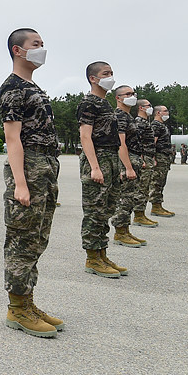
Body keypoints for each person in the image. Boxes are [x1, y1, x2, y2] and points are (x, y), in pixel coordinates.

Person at [0, 28, 64, 338]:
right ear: (18, 50)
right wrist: (20, 183)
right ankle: (17, 308)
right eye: (35, 44)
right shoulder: (13, 87)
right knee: (22, 240)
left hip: (46, 167)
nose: (41, 49)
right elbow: (13, 140)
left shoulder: (33, 86)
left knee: (37, 238)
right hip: (29, 167)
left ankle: (28, 300)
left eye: (42, 44)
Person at [77, 61, 126, 278]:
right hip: (98, 158)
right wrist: (95, 168)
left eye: (112, 73)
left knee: (106, 209)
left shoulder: (105, 104)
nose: (111, 77)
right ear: (93, 79)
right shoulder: (89, 103)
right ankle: (92, 258)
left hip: (111, 157)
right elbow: (85, 136)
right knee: (95, 211)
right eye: (106, 73)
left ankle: (102, 253)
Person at [109, 86, 148, 248]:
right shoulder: (119, 116)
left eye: (134, 94)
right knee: (125, 197)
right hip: (127, 160)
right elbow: (121, 144)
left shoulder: (127, 116)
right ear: (118, 98)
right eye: (128, 94)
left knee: (130, 197)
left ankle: (125, 229)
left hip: (133, 158)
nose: (132, 96)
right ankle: (120, 231)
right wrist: (128, 167)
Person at [132, 99, 159, 229]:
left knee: (146, 187)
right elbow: (137, 142)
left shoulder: (145, 123)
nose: (151, 108)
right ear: (141, 108)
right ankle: (138, 215)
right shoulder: (139, 123)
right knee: (141, 188)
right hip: (143, 159)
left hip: (148, 157)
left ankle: (141, 213)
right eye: (149, 105)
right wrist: (141, 159)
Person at [149, 105, 175, 217]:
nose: (167, 113)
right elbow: (152, 143)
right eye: (165, 111)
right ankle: (155, 206)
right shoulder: (155, 125)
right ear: (158, 113)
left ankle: (158, 205)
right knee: (157, 182)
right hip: (159, 157)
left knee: (161, 181)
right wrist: (153, 158)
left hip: (164, 157)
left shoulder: (162, 125)